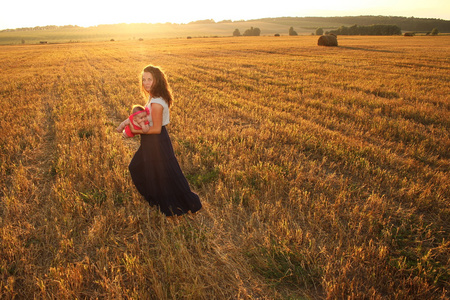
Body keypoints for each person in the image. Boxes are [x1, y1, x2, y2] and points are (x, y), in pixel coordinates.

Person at [116, 65, 202, 216]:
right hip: (151, 141)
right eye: (144, 80)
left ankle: (170, 203)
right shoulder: (154, 97)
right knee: (148, 170)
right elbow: (142, 116)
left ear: (158, 80)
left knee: (161, 173)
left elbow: (156, 129)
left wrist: (133, 131)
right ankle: (157, 199)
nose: (146, 83)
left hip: (156, 140)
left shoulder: (156, 102)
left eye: (150, 79)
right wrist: (126, 123)